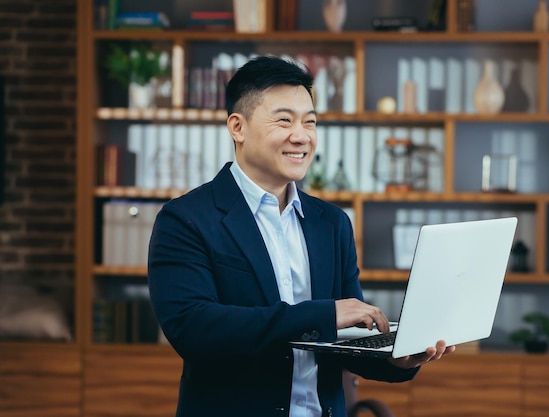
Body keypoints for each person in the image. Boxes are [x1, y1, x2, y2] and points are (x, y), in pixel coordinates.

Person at [148, 55, 454, 417]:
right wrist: (323, 314)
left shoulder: (331, 222)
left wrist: (398, 359)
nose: (301, 136)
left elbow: (346, 341)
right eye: (284, 120)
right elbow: (195, 330)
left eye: (310, 122)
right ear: (237, 127)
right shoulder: (185, 220)